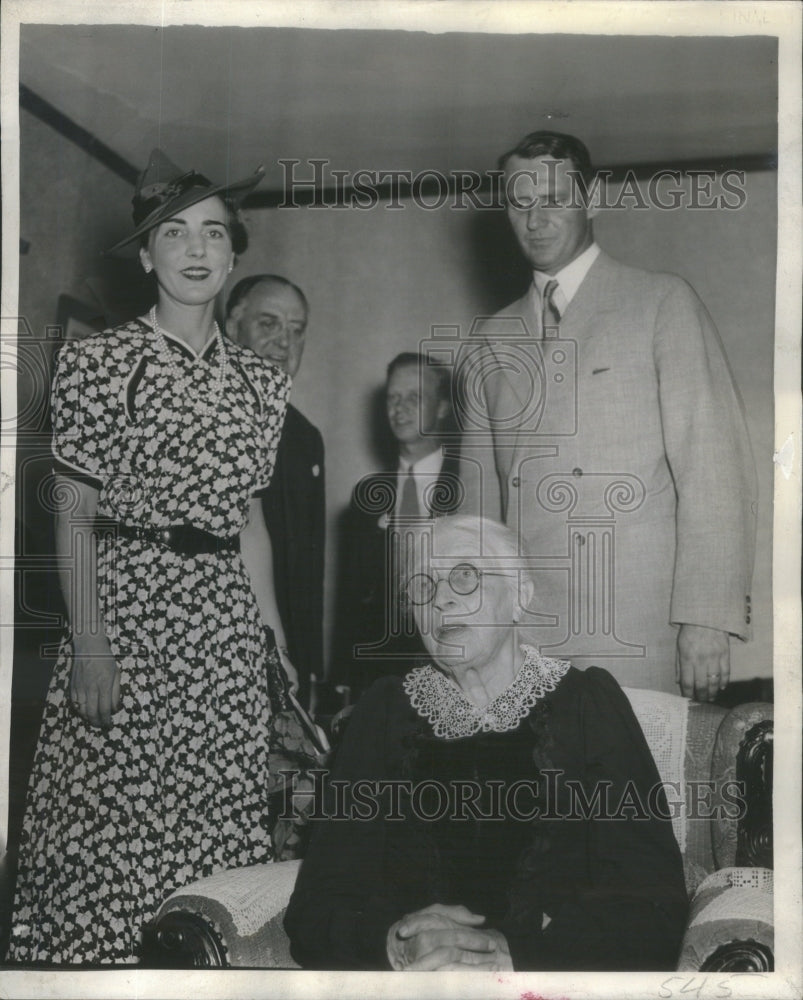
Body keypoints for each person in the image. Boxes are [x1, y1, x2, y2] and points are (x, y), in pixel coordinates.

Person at [8, 149, 296, 965]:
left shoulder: (260, 383)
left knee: (216, 823)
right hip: (125, 609)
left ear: (234, 254)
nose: (197, 249)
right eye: (175, 234)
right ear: (145, 256)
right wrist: (90, 640)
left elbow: (249, 519)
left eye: (213, 233)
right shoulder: (99, 363)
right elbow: (75, 509)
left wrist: (270, 642)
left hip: (221, 625)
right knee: (114, 825)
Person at [285, 515, 688, 971]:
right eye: (422, 586)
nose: (442, 599)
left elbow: (653, 904)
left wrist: (514, 953)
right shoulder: (383, 711)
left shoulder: (586, 704)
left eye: (464, 575)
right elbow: (318, 903)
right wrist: (395, 940)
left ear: (521, 595)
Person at [459, 130, 757, 698]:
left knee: (636, 783)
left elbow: (715, 467)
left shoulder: (661, 302)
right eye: (520, 203)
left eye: (553, 199)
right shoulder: (489, 338)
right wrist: (473, 619)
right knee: (535, 785)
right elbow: (477, 503)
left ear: (593, 200)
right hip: (524, 630)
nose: (536, 219)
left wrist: (707, 617)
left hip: (635, 622)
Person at [336, 352, 461, 698]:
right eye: (393, 398)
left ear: (441, 408)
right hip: (378, 675)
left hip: (450, 669)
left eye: (414, 397)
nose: (399, 408)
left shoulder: (470, 486)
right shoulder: (366, 494)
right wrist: (343, 677)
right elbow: (350, 597)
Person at [226, 275, 325, 710]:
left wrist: (305, 664)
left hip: (285, 667)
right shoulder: (202, 410)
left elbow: (307, 569)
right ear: (233, 327)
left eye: (296, 330)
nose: (284, 342)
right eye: (268, 324)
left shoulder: (304, 437)